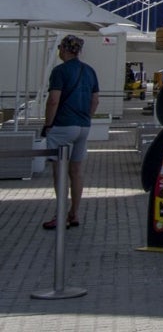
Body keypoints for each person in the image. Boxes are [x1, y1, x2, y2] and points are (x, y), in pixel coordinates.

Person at [40, 34, 100, 230]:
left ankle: (59, 214)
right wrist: (87, 118)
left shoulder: (60, 71)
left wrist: (48, 124)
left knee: (59, 172)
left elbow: (53, 100)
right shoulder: (90, 71)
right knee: (77, 171)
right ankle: (74, 213)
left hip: (63, 126)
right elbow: (95, 101)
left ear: (64, 49)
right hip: (83, 126)